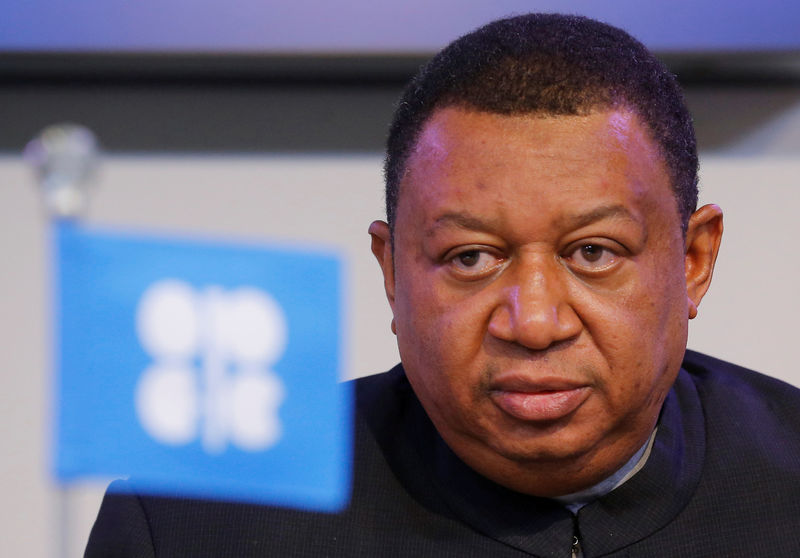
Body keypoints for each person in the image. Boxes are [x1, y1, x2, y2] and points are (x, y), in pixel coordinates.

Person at [85, 13, 800, 557]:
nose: (535, 322)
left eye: (593, 252)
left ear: (693, 260)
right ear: (393, 273)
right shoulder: (197, 520)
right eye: (470, 259)